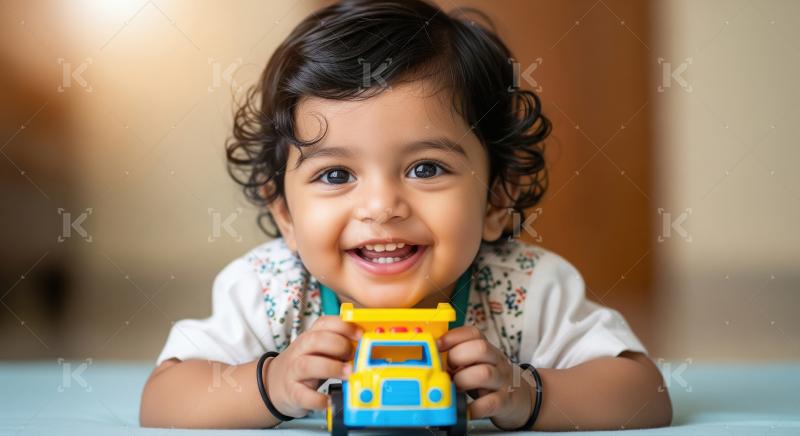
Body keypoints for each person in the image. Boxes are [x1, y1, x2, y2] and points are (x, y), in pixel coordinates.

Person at [140, 0, 672, 430]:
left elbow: (644, 393)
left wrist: (526, 391)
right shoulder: (269, 290)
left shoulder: (526, 288)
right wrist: (270, 385)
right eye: (334, 175)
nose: (381, 208)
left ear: (494, 200)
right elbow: (163, 400)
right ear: (285, 214)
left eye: (424, 168)